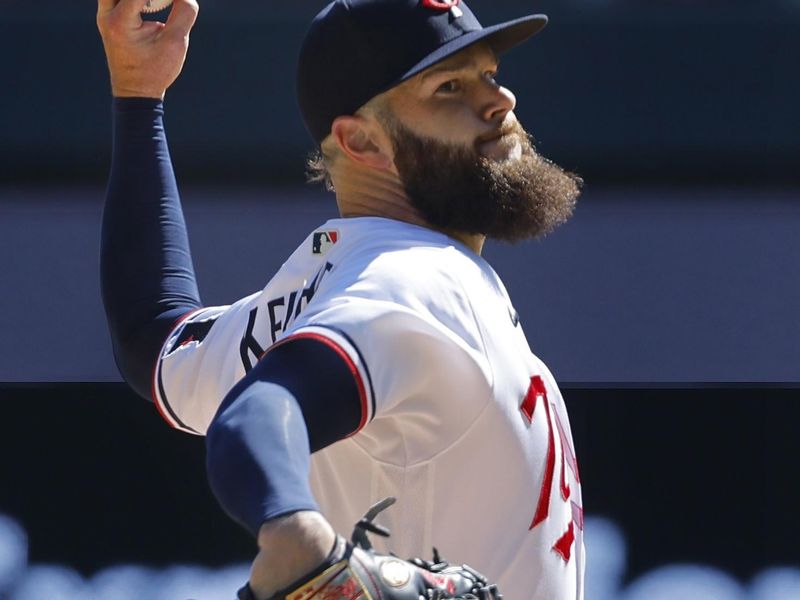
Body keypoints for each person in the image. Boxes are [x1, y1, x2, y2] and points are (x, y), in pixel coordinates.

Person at [97, 0, 585, 597]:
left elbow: (152, 333)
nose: (498, 100)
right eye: (449, 86)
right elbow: (257, 412)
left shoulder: (315, 293)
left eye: (489, 74)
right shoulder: (419, 280)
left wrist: (138, 94)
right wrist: (295, 534)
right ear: (362, 142)